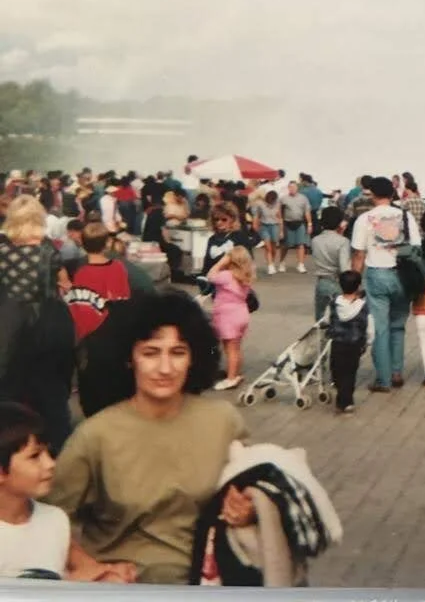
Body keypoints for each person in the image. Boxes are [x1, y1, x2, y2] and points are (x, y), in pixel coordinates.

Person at [47, 291, 252, 585]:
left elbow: (258, 495)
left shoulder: (223, 422)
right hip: (126, 588)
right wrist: (87, 566)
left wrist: (250, 510)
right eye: (151, 353)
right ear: (129, 358)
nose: (165, 368)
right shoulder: (96, 436)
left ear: (194, 357)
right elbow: (44, 515)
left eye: (178, 352)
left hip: (207, 583)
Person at [0, 402, 136, 582]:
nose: (50, 464)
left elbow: (92, 571)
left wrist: (113, 574)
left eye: (49, 453)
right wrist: (68, 582)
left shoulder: (54, 520)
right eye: (35, 456)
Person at [0, 196, 76, 453]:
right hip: (46, 328)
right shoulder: (48, 250)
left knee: (9, 399)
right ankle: (61, 461)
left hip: (9, 331)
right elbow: (63, 285)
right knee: (53, 400)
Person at [351, 177, 422, 392]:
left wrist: (353, 284)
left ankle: (383, 379)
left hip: (377, 275)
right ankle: (397, 372)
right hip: (403, 275)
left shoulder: (365, 219)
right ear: (393, 194)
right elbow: (416, 247)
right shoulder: (405, 216)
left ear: (372, 195)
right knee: (398, 326)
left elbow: (358, 254)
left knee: (381, 329)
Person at [325, 270, 374, 414]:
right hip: (355, 344)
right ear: (358, 286)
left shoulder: (334, 303)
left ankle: (342, 397)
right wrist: (369, 341)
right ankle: (347, 400)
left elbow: (327, 319)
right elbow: (370, 327)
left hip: (337, 343)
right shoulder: (363, 306)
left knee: (337, 369)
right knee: (350, 372)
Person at [207, 247, 254, 392]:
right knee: (236, 347)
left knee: (230, 349)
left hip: (228, 315)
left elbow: (210, 275)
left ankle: (231, 378)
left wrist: (222, 261)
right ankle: (235, 373)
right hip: (241, 313)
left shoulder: (226, 276)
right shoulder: (246, 276)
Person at [70, 223, 131, 305]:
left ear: (83, 244)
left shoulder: (80, 273)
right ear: (107, 243)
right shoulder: (118, 267)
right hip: (116, 314)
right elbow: (124, 298)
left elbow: (79, 306)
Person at [310, 206, 352, 322]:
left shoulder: (315, 240)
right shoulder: (343, 242)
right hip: (337, 282)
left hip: (322, 281)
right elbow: (344, 268)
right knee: (339, 320)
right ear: (339, 222)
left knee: (321, 320)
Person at [278, 182, 313, 274]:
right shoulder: (283, 199)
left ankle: (301, 264)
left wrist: (309, 224)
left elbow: (307, 212)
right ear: (288, 188)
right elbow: (279, 213)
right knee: (285, 245)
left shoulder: (303, 198)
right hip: (287, 223)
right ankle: (281, 262)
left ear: (297, 188)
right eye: (290, 187)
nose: (292, 189)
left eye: (294, 187)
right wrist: (280, 226)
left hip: (299, 223)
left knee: (301, 244)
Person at [252, 190, 282, 275]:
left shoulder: (277, 204)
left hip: (275, 226)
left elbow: (280, 218)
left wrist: (281, 230)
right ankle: (270, 266)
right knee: (268, 247)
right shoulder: (260, 204)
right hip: (264, 226)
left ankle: (271, 262)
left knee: (274, 248)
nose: (270, 202)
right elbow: (256, 215)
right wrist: (255, 224)